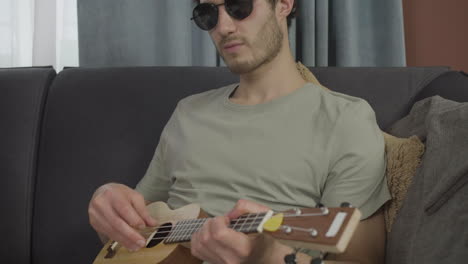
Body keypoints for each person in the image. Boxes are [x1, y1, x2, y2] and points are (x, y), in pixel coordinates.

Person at [88, 0, 391, 263]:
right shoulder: (187, 112)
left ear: (284, 4)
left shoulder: (346, 120)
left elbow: (360, 261)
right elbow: (130, 236)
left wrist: (266, 257)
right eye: (208, 13)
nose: (223, 26)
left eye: (239, 6)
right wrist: (105, 204)